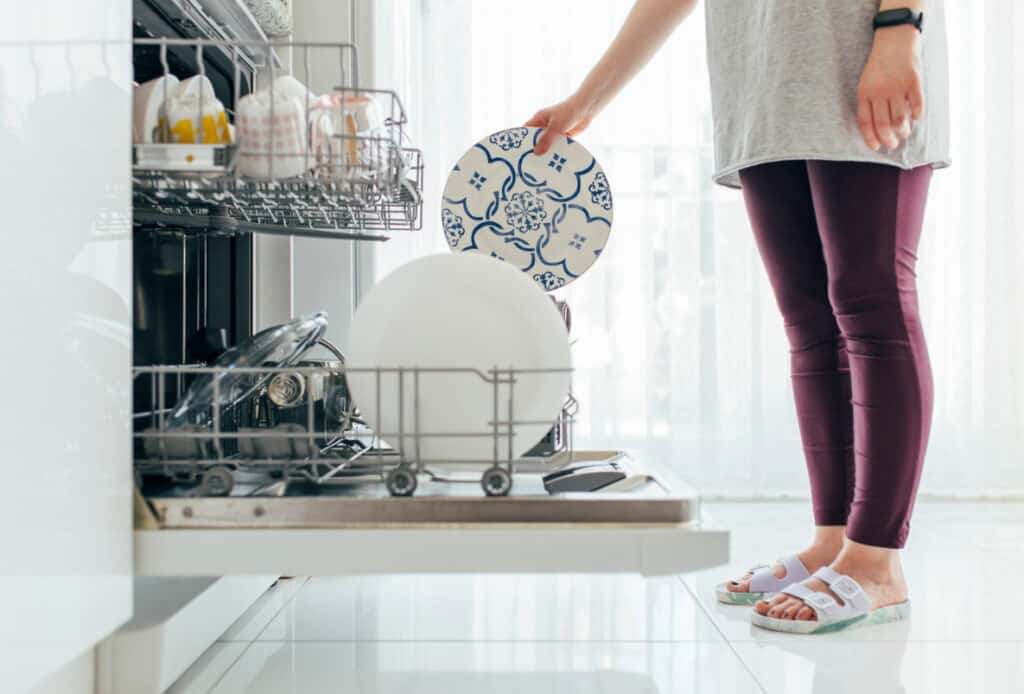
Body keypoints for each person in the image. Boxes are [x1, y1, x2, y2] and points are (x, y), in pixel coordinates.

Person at [528, 0, 950, 633]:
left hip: (859, 51)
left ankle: (875, 560)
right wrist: (588, 99)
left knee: (872, 307)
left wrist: (899, 29)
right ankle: (833, 541)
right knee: (810, 327)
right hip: (761, 84)